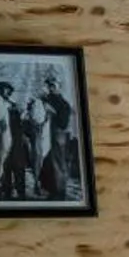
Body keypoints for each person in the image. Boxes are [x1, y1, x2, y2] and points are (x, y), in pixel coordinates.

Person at [37, 72, 76, 200]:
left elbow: (63, 124)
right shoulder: (46, 100)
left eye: (53, 85)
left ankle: (59, 193)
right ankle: (51, 190)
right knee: (48, 163)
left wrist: (52, 111)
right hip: (47, 136)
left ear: (59, 87)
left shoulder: (63, 104)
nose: (50, 88)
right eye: (49, 86)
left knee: (57, 164)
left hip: (59, 137)